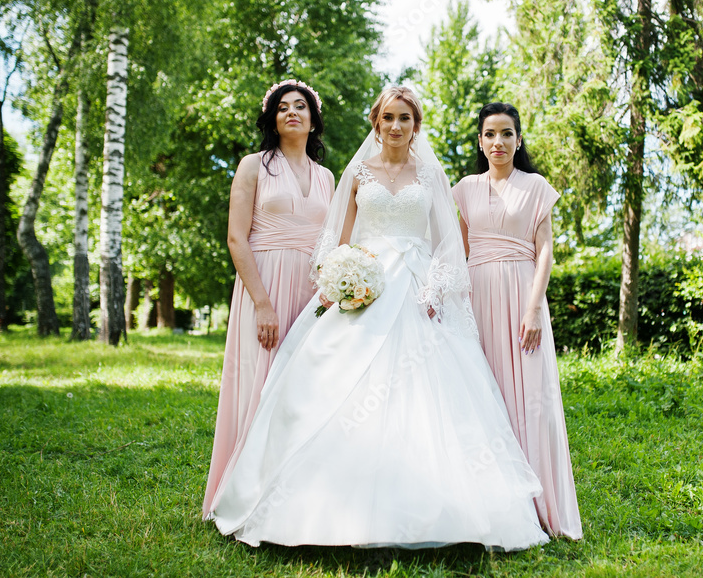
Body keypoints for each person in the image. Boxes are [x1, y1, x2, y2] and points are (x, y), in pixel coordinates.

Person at [208, 87, 548, 551]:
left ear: (416, 125)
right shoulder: (356, 172)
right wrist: (340, 280)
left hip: (417, 288)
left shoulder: (430, 175)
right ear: (376, 122)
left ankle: (445, 509)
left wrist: (434, 286)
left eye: (404, 118)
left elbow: (449, 241)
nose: (395, 126)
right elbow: (335, 239)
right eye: (387, 117)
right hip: (366, 284)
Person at [202, 80, 335, 519]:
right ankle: (244, 494)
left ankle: (294, 498)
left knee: (303, 388)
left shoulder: (326, 177)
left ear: (313, 119)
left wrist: (331, 288)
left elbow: (332, 242)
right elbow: (237, 238)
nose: (292, 113)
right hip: (265, 282)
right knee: (260, 385)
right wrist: (261, 302)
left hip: (310, 291)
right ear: (272, 119)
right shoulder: (253, 166)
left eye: (301, 106)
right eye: (283, 108)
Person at [452, 102, 582, 539]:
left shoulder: (536, 186)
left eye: (507, 134)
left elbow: (545, 251)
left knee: (532, 400)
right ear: (480, 142)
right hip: (478, 296)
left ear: (518, 139)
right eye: (490, 134)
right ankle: (495, 506)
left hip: (524, 293)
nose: (498, 142)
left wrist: (532, 307)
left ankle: (543, 508)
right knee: (484, 395)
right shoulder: (466, 188)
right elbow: (464, 252)